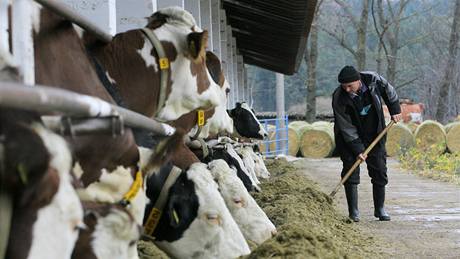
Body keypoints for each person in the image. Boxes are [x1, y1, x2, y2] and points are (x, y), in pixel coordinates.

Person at [332, 65, 402, 222]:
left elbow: (389, 91)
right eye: (344, 87)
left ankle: (380, 209)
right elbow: (346, 127)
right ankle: (354, 212)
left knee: (379, 169)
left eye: (350, 86)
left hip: (374, 133)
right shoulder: (339, 97)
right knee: (351, 168)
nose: (347, 89)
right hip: (348, 138)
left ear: (358, 81)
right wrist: (358, 149)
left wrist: (394, 109)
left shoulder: (373, 79)